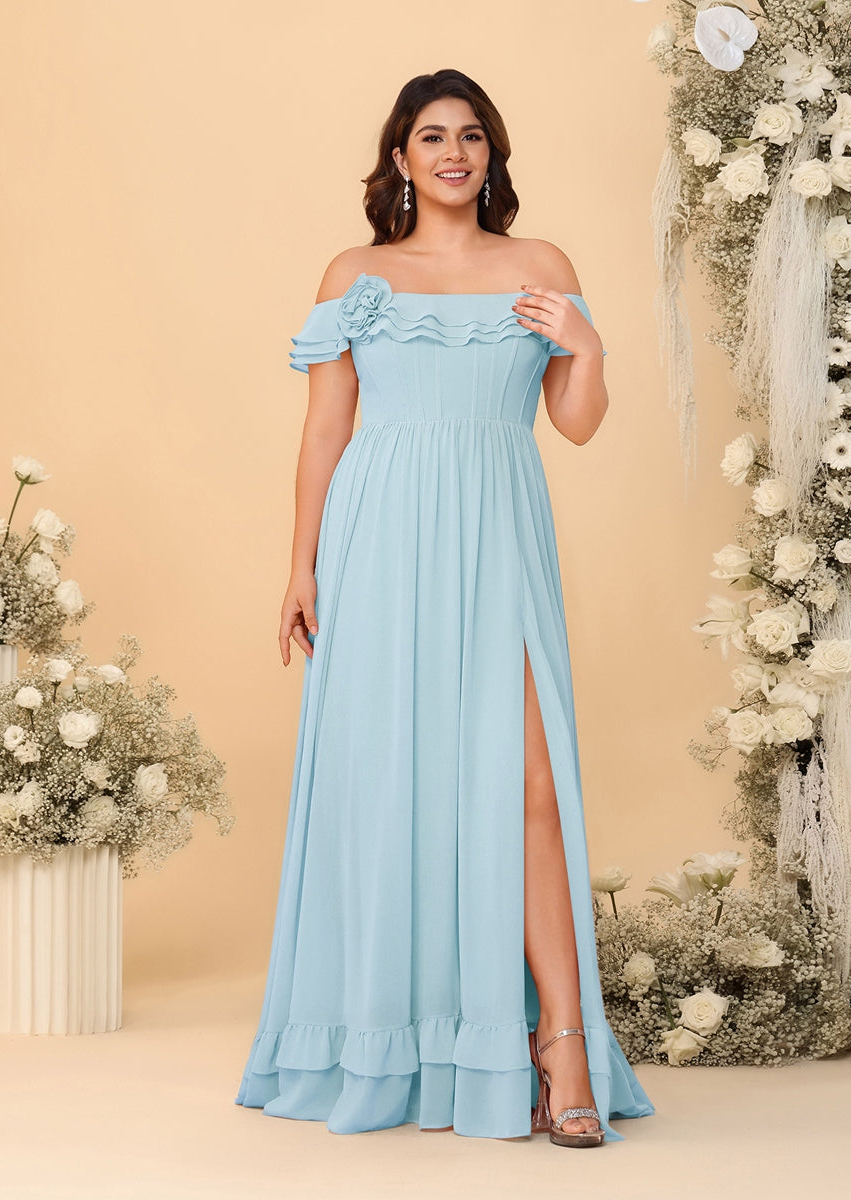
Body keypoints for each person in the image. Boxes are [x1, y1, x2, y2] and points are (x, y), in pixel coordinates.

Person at [235, 67, 654, 1147]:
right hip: (377, 543)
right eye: (433, 136)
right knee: (392, 784)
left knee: (530, 787)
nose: (454, 153)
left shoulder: (540, 266)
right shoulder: (356, 274)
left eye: (471, 136)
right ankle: (405, 1043)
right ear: (402, 158)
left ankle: (563, 1042)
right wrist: (300, 567)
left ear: (491, 154)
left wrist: (587, 347)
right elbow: (325, 429)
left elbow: (577, 422)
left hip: (497, 536)